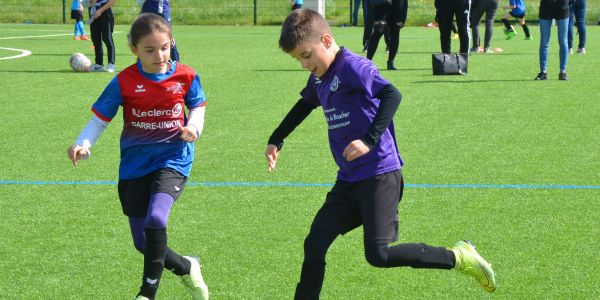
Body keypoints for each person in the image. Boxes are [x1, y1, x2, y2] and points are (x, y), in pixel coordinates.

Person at [266, 8, 497, 298]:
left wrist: (368, 139)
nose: (303, 64)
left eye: (306, 55)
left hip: (379, 175)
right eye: (297, 58)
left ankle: (458, 257)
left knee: (379, 255)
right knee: (315, 243)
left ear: (326, 40)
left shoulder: (352, 66)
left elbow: (391, 94)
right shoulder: (319, 77)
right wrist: (277, 138)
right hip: (348, 179)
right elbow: (304, 105)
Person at [67, 13, 209, 300]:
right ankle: (187, 266)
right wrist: (83, 143)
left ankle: (147, 293)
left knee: (156, 218)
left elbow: (198, 105)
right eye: (150, 49)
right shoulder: (124, 81)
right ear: (134, 49)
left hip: (174, 158)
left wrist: (193, 126)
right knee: (143, 242)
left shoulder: (186, 75)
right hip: (134, 165)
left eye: (165, 47)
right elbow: (99, 120)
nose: (159, 55)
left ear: (171, 44)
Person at [366, 0, 408, 70]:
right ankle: (368, 61)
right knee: (378, 31)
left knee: (395, 34)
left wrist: (403, 17)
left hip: (397, 8)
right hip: (382, 8)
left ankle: (390, 62)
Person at [535, 0, 570, 80]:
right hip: (545, 8)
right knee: (544, 42)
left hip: (562, 8)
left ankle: (563, 72)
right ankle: (543, 72)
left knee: (563, 41)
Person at [88, 0, 116, 72]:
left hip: (105, 12)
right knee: (95, 38)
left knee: (107, 38)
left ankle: (111, 64)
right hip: (93, 11)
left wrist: (101, 10)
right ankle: (99, 64)